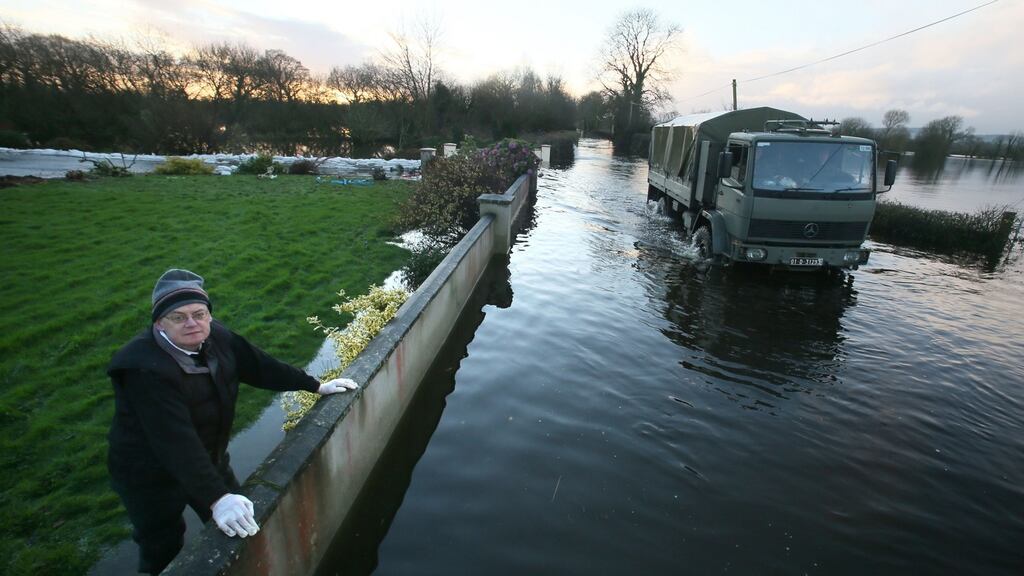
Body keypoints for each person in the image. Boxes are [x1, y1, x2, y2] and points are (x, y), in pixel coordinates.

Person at [107, 269, 359, 574]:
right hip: (149, 473)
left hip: (209, 455)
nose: (192, 324)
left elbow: (261, 366)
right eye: (178, 317)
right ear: (159, 323)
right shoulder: (143, 369)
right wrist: (217, 498)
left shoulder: (216, 338)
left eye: (199, 314)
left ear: (210, 316)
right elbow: (174, 440)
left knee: (241, 518)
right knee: (162, 541)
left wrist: (315, 385)